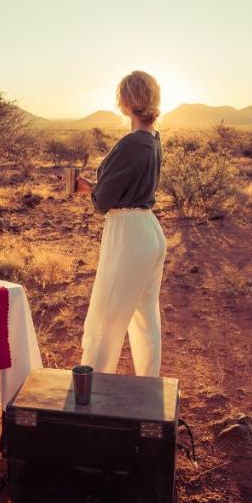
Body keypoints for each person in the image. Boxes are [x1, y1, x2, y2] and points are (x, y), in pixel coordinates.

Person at [76, 70, 167, 376]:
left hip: (128, 232)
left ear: (126, 101)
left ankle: (91, 391)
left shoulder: (130, 143)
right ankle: (150, 387)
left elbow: (103, 203)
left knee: (106, 317)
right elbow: (126, 188)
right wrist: (96, 187)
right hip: (149, 228)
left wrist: (95, 191)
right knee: (145, 317)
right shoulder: (154, 140)